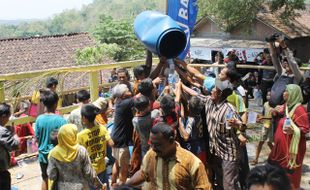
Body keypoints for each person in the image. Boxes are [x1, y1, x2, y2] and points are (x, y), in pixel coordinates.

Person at [124, 122, 212, 190]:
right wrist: (125, 185)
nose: (153, 148)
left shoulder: (192, 162)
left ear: (171, 141)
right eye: (152, 144)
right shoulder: (151, 154)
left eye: (157, 145)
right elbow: (143, 173)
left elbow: (204, 187)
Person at [268, 84, 310, 189]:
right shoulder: (288, 105)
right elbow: (280, 111)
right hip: (281, 147)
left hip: (291, 149)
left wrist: (294, 130)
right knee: (277, 172)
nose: (283, 93)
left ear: (292, 94)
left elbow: (306, 129)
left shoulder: (299, 109)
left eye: (286, 91)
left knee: (290, 175)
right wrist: (273, 113)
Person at [47, 124, 103, 190]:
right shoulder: (81, 151)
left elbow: (52, 175)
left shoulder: (54, 153)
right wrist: (100, 186)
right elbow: (89, 173)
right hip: (82, 187)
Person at [35, 90, 67, 190]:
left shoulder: (39, 119)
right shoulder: (61, 120)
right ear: (56, 104)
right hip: (56, 156)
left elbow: (37, 137)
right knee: (59, 180)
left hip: (43, 155)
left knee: (45, 178)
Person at [78, 104, 114, 190]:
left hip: (89, 172)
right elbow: (111, 143)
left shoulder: (80, 136)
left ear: (84, 118)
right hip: (102, 167)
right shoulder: (102, 128)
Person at [110, 84, 134, 186]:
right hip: (121, 139)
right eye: (127, 90)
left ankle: (113, 183)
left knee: (116, 162)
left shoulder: (119, 102)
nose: (129, 90)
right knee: (124, 167)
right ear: (123, 94)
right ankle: (122, 185)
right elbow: (139, 97)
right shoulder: (125, 103)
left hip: (115, 137)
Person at [178, 96, 206, 164]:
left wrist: (180, 123)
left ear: (188, 107)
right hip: (202, 146)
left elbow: (186, 137)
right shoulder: (200, 116)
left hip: (194, 149)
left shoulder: (191, 120)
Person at [0, 103, 20, 190]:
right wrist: (14, 133)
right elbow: (15, 145)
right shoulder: (2, 131)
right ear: (3, 117)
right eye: (8, 117)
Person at [251, 91, 274, 165]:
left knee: (269, 143)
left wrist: (262, 117)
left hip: (271, 126)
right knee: (260, 142)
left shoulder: (274, 105)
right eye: (267, 94)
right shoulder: (265, 104)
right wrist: (259, 118)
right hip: (265, 125)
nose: (268, 96)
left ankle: (276, 157)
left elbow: (272, 117)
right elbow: (262, 113)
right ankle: (256, 159)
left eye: (270, 95)